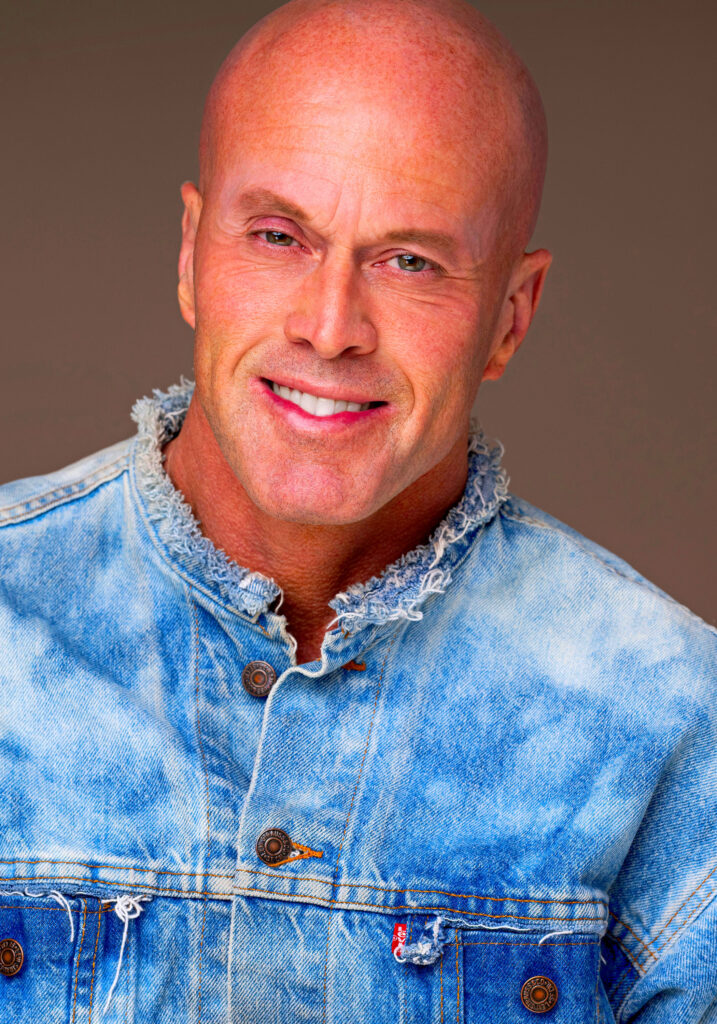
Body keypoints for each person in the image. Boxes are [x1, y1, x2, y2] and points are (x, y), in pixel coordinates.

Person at [0, 0, 714, 1020]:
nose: (331, 326)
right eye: (278, 235)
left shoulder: (668, 713)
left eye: (410, 260)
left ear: (511, 317)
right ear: (192, 253)